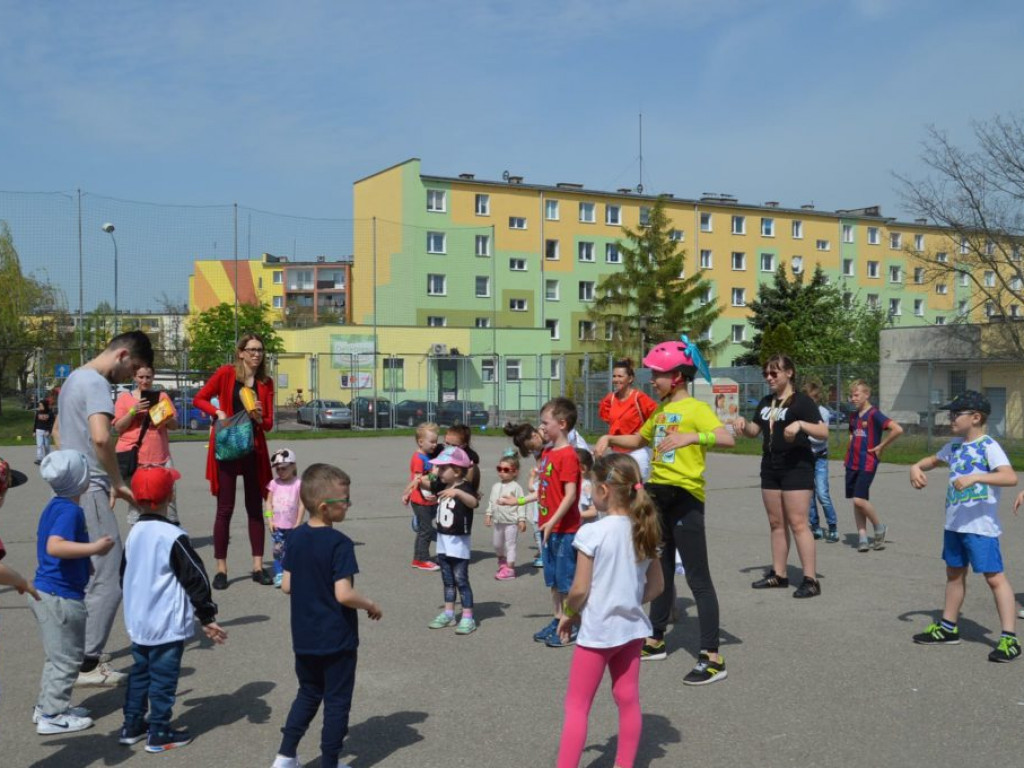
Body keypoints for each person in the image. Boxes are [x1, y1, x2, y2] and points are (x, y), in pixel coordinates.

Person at [595, 338, 735, 682]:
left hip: (685, 496)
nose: (652, 379)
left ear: (677, 377)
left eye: (658, 374)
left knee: (699, 579)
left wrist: (693, 438)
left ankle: (712, 656)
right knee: (659, 569)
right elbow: (638, 440)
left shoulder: (696, 409)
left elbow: (727, 438)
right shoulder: (659, 410)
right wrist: (610, 438)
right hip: (659, 495)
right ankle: (656, 639)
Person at [54, 329, 153, 687]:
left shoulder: (72, 379)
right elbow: (101, 436)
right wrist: (114, 481)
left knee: (88, 575)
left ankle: (78, 650)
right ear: (123, 355)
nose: (130, 377)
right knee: (109, 577)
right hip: (91, 489)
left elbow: (57, 436)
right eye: (133, 369)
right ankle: (87, 662)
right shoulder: (95, 382)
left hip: (72, 488)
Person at [555, 453, 664, 768]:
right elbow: (656, 588)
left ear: (603, 490)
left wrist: (567, 613)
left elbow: (579, 590)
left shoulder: (592, 532)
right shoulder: (643, 529)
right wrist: (626, 598)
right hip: (631, 632)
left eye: (590, 485)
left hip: (598, 633)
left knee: (577, 707)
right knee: (627, 699)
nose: (588, 491)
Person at [272, 463, 382, 768]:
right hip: (336, 639)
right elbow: (344, 594)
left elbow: (286, 585)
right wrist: (371, 604)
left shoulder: (294, 538)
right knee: (336, 701)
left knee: (307, 693)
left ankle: (285, 756)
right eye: (344, 500)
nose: (348, 504)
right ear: (324, 506)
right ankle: (330, 762)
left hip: (304, 637)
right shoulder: (340, 544)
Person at [119, 465, 227, 752]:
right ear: (170, 496)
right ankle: (159, 731)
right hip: (166, 623)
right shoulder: (172, 535)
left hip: (139, 621)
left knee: (140, 673)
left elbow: (124, 575)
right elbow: (196, 578)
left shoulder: (134, 533)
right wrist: (207, 615)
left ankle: (131, 725)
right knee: (164, 678)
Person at [910, 391, 1020, 662]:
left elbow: (1009, 477)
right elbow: (932, 461)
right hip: (955, 525)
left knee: (994, 578)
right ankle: (948, 628)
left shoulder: (988, 446)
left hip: (980, 527)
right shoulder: (955, 446)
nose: (950, 419)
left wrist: (976, 478)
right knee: (954, 574)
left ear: (975, 417)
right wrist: (915, 467)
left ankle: (1009, 639)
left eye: (955, 414)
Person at [30, 450, 114, 735]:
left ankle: (48, 705)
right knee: (68, 658)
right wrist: (94, 549)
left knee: (56, 656)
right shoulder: (70, 510)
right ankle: (52, 715)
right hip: (61, 597)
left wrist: (84, 563)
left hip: (47, 591)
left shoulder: (54, 505)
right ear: (80, 480)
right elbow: (55, 546)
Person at [732, 354, 827, 599]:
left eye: (774, 373)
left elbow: (823, 431)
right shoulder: (766, 401)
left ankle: (811, 579)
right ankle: (780, 574)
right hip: (771, 467)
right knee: (776, 523)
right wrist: (743, 426)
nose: (769, 378)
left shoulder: (801, 402)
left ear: (789, 373)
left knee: (798, 523)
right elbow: (756, 431)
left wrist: (802, 426)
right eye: (766, 374)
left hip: (797, 466)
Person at [193, 332, 275, 589]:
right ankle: (221, 569)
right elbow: (200, 398)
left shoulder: (265, 382)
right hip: (228, 445)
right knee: (224, 509)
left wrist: (260, 417)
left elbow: (270, 424)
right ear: (240, 352)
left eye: (260, 350)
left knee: (254, 509)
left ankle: (258, 566)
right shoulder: (226, 374)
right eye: (251, 349)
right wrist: (217, 411)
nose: (256, 354)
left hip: (254, 449)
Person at [504, 398, 582, 649]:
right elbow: (543, 490)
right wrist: (518, 501)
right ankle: (558, 618)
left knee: (567, 582)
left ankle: (573, 623)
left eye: (545, 423)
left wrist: (553, 522)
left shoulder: (568, 455)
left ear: (562, 423)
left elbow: (570, 495)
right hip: (549, 529)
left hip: (565, 530)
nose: (541, 428)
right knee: (553, 581)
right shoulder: (547, 454)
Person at [113, 365, 180, 525]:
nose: (144, 381)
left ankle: (170, 534)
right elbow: (118, 427)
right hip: (136, 458)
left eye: (148, 377)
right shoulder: (125, 398)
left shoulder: (162, 396)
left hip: (161, 456)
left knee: (169, 499)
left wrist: (163, 414)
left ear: (153, 377)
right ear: (134, 377)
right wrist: (133, 411)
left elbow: (174, 425)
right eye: (141, 377)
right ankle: (139, 536)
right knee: (138, 501)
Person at [422, 446, 480, 634]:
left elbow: (474, 502)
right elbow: (426, 483)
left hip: (458, 542)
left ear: (456, 471)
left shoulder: (464, 488)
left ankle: (468, 617)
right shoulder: (443, 486)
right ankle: (448, 614)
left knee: (461, 580)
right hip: (443, 540)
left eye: (442, 468)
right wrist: (417, 482)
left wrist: (458, 494)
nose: (438, 472)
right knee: (447, 580)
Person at [845, 379, 903, 552]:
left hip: (868, 462)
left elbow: (897, 429)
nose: (853, 399)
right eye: (851, 395)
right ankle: (862, 537)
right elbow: (852, 433)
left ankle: (879, 527)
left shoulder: (874, 414)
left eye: (856, 395)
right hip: (851, 463)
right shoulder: (854, 416)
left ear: (866, 395)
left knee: (859, 499)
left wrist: (881, 446)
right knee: (857, 502)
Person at [598, 358, 658, 479]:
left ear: (630, 379)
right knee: (616, 490)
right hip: (616, 451)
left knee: (636, 490)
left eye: (620, 376)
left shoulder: (639, 398)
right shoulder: (610, 399)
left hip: (636, 451)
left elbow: (656, 417)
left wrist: (645, 433)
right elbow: (609, 419)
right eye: (614, 376)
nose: (616, 380)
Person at [504, 421, 547, 567]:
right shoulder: (539, 448)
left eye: (531, 448)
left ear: (535, 436)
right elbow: (543, 471)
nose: (532, 451)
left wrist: (519, 500)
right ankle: (545, 550)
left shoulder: (553, 435)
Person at [802, 379, 839, 543]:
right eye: (808, 398)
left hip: (820, 457)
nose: (811, 402)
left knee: (822, 493)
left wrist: (803, 432)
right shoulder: (801, 413)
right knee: (809, 494)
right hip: (806, 458)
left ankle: (832, 527)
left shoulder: (822, 412)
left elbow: (820, 438)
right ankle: (815, 526)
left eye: (814, 398)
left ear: (818, 398)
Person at [402, 422, 440, 572]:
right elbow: (418, 479)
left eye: (436, 441)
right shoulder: (418, 458)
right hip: (421, 500)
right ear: (420, 442)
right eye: (432, 441)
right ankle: (421, 559)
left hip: (429, 500)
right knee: (426, 530)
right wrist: (434, 473)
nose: (435, 444)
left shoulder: (428, 455)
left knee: (425, 528)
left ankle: (420, 557)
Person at [486, 449, 527, 580]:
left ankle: (510, 569)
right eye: (499, 469)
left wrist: (521, 519)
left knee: (510, 545)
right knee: (497, 545)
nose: (501, 472)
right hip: (498, 522)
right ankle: (502, 562)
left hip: (511, 522)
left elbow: (522, 504)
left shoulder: (516, 487)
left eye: (505, 470)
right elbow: (492, 501)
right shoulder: (495, 486)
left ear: (515, 472)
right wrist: (488, 514)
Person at [266, 448, 303, 588]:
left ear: (293, 466)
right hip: (277, 526)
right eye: (277, 469)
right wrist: (269, 520)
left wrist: (298, 522)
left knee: (292, 550)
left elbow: (302, 504)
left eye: (283, 468)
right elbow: (268, 503)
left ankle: (293, 574)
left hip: (293, 526)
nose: (280, 472)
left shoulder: (298, 484)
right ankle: (279, 574)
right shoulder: (274, 484)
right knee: (278, 551)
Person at [576, 448, 597, 522]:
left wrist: (575, 515)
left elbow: (594, 511)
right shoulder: (574, 486)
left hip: (587, 528)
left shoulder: (586, 487)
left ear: (582, 468)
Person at [34, 397, 54, 465]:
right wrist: (34, 431)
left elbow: (52, 423)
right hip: (39, 430)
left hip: (46, 431)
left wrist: (49, 431)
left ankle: (47, 458)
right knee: (39, 445)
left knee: (46, 446)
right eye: (39, 405)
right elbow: (36, 422)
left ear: (45, 405)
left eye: (41, 405)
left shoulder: (50, 413)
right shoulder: (38, 412)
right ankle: (39, 459)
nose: (39, 407)